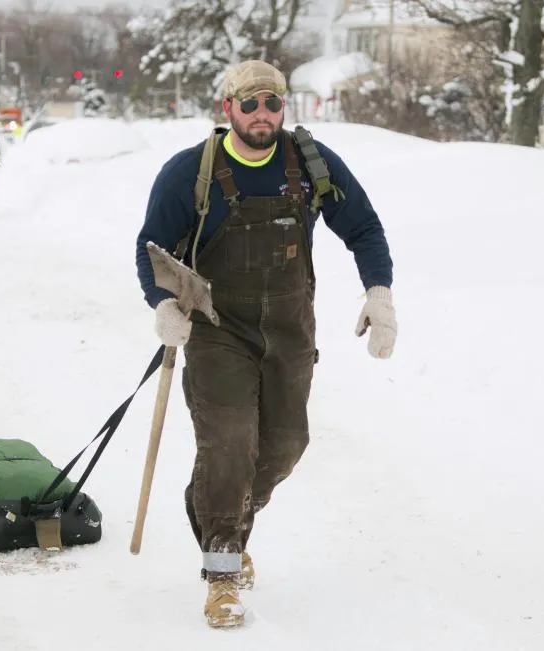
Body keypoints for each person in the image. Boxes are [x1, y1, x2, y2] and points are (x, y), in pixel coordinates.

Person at [134, 60, 397, 629]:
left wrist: (379, 295)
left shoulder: (312, 164)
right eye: (249, 104)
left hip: (289, 330)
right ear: (227, 108)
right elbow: (151, 247)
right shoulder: (191, 172)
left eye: (272, 103)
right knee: (230, 444)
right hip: (217, 330)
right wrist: (162, 306)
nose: (262, 114)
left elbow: (364, 228)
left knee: (285, 446)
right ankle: (223, 573)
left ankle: (211, 503)